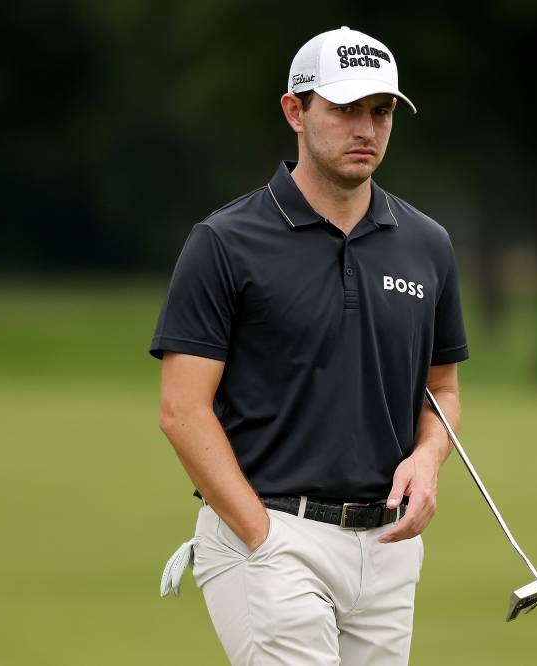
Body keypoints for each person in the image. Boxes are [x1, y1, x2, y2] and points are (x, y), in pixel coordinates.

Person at [151, 25, 468, 666]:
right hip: (270, 532)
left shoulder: (427, 244)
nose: (367, 129)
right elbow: (183, 411)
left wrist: (429, 460)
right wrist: (262, 539)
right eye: (346, 109)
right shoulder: (225, 242)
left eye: (380, 112)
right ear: (295, 111)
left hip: (388, 548)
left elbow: (441, 391)